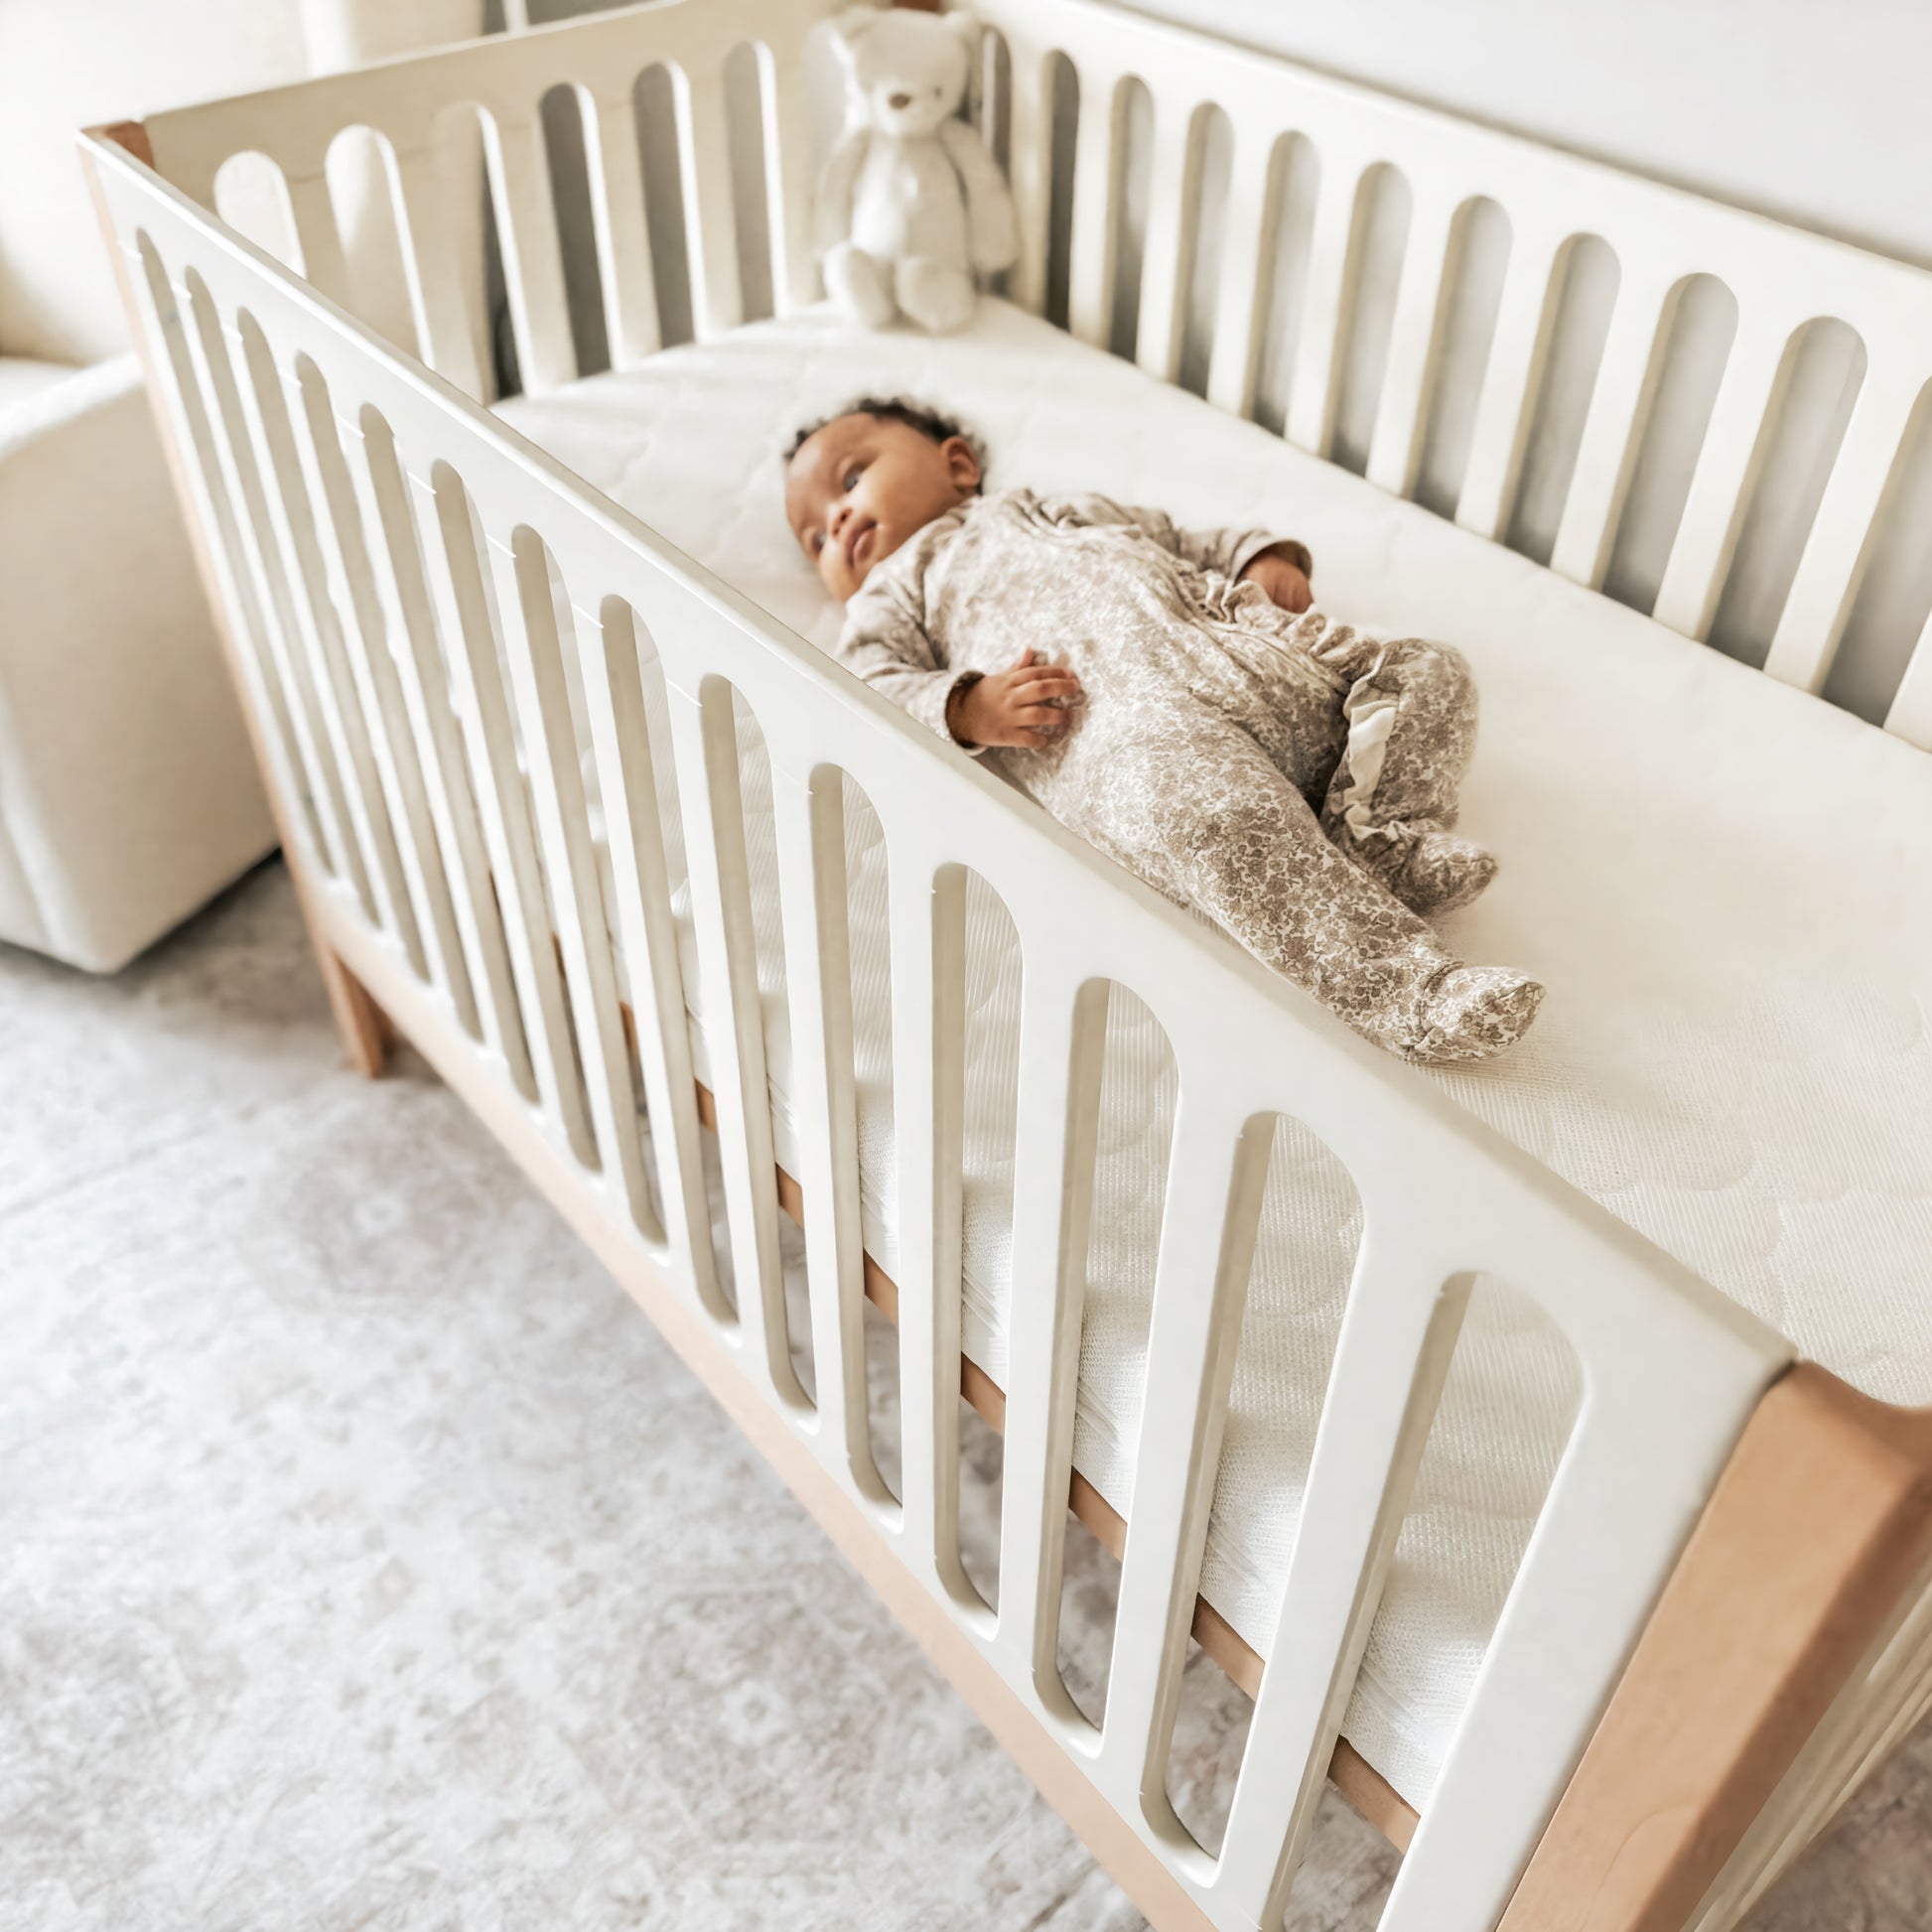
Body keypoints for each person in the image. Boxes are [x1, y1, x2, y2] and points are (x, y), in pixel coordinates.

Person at [783, 396, 1542, 1063]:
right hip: (1136, 730)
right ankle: (1413, 992)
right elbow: (873, 687)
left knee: (1432, 670)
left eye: (851, 480)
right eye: (814, 538)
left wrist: (1262, 557)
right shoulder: (891, 596)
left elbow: (1189, 540)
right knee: (1213, 821)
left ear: (956, 463)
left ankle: (1384, 834)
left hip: (1255, 656)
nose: (837, 520)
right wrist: (969, 705)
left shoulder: (1059, 508)